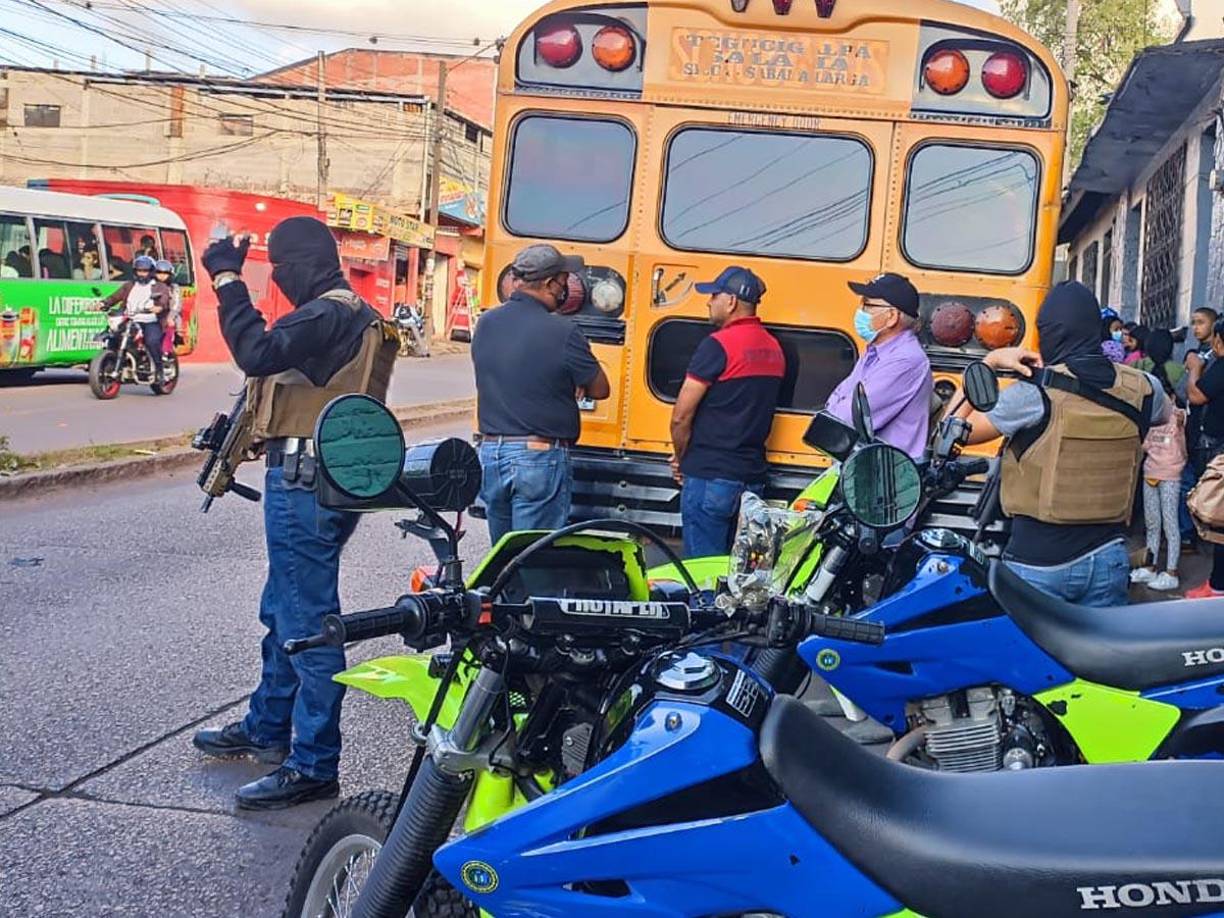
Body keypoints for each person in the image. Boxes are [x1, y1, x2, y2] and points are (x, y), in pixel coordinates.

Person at [191, 217, 398, 809]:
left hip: (306, 483)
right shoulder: (349, 312)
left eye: (281, 268)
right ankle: (266, 728)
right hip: (323, 478)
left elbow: (256, 352)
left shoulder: (328, 312)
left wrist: (228, 279)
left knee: (307, 623)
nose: (278, 279)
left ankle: (313, 763)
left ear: (303, 262)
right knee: (284, 609)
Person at [954, 282, 1167, 607]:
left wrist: (992, 362)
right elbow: (1165, 416)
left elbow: (953, 430)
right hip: (1110, 560)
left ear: (1048, 334)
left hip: (1038, 565)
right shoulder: (1146, 388)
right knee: (1096, 659)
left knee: (1030, 658)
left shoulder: (1033, 395)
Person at [471, 243, 610, 545]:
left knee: (503, 557)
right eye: (564, 282)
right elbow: (601, 388)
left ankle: (503, 595)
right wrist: (570, 383)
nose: (566, 289)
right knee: (534, 557)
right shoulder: (563, 331)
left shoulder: (486, 323)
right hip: (537, 459)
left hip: (491, 454)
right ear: (549, 284)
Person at [669, 266, 785, 558]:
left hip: (710, 475)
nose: (709, 302)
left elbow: (681, 415)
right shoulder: (773, 348)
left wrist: (682, 457)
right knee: (739, 574)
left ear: (731, 302)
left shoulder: (717, 345)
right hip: (752, 478)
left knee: (703, 573)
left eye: (714, 295)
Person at [824, 272, 932, 459]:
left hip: (885, 476)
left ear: (891, 317)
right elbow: (835, 402)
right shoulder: (876, 351)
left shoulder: (905, 361)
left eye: (867, 305)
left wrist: (831, 412)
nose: (861, 312)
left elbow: (844, 419)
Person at [1130, 329, 1187, 591]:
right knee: (1157, 522)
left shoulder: (1172, 414)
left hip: (1167, 472)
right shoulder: (1177, 374)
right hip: (1155, 470)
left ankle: (1171, 570)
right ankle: (1152, 566)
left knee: (1165, 523)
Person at [1183, 316, 1224, 598]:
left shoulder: (1221, 366)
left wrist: (1195, 369)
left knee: (1219, 514)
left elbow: (1196, 395)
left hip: (1217, 446)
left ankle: (1218, 585)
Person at [1180, 307, 1220, 547]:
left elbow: (1196, 395)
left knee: (1202, 483)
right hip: (1197, 429)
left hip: (1209, 433)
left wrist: (1195, 368)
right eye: (1193, 322)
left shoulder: (1214, 360)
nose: (1196, 327)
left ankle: (1194, 533)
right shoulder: (1196, 354)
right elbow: (1183, 389)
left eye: (1201, 322)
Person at [99, 254, 170, 383]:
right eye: (139, 270)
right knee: (113, 337)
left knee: (152, 341)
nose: (142, 274)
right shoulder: (129, 285)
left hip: (150, 321)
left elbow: (164, 299)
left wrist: (158, 307)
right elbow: (115, 297)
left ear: (151, 271)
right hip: (130, 320)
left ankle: (159, 370)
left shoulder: (159, 286)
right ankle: (112, 364)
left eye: (145, 271)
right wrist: (103, 303)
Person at [153, 259, 181, 355]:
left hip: (169, 315)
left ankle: (166, 351)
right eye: (159, 273)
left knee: (169, 326)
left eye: (165, 273)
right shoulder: (151, 285)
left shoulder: (174, 288)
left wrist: (171, 317)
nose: (162, 276)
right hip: (152, 314)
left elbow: (177, 305)